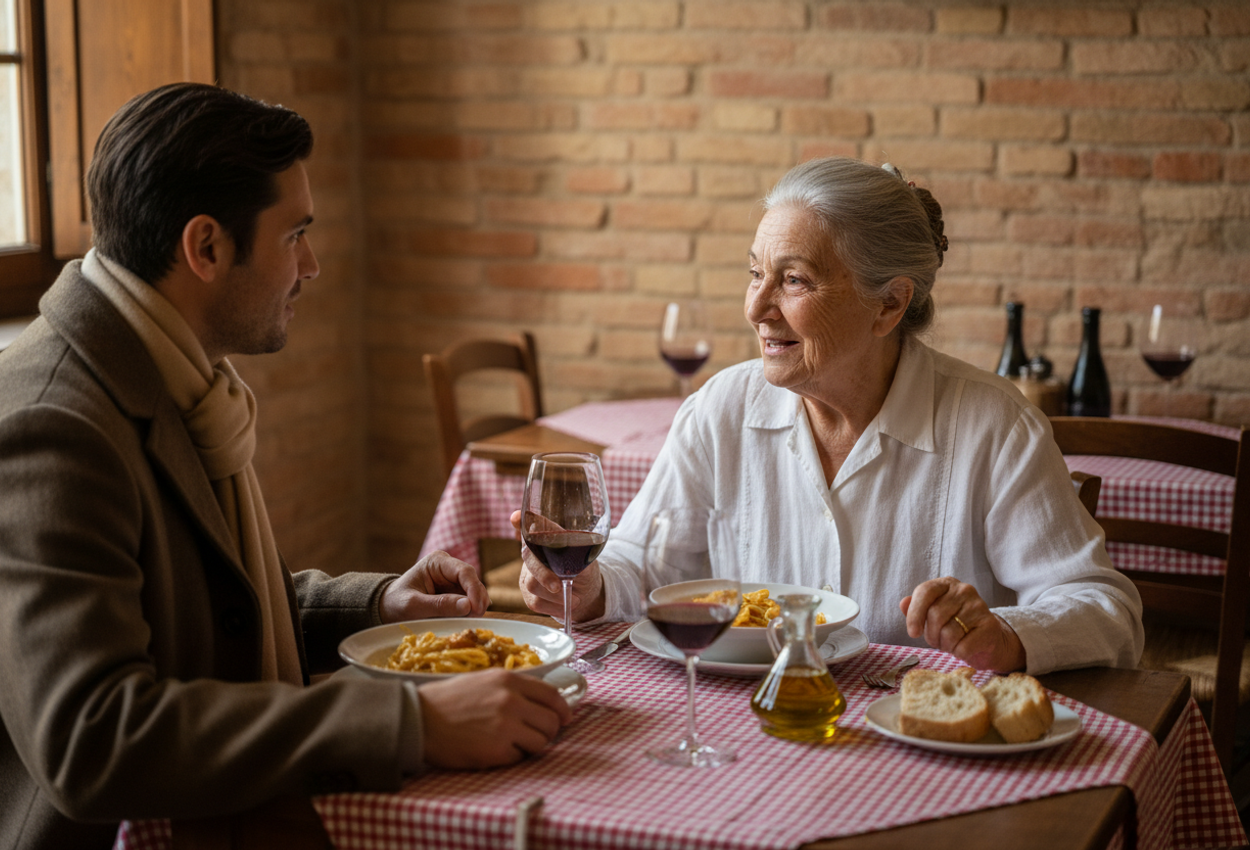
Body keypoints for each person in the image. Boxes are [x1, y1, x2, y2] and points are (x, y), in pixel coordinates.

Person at [0, 82, 570, 850]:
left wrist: (378, 607)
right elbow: (93, 738)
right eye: (295, 233)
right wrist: (413, 720)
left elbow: (206, 615)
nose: (314, 264)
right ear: (205, 248)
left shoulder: (171, 373)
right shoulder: (53, 424)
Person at [517, 156, 1143, 675]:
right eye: (755, 272)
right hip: (748, 734)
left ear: (889, 305)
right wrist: (590, 585)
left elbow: (1103, 608)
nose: (757, 307)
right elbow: (643, 562)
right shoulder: (719, 410)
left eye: (794, 280)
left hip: (916, 751)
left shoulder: (994, 427)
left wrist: (1006, 634)